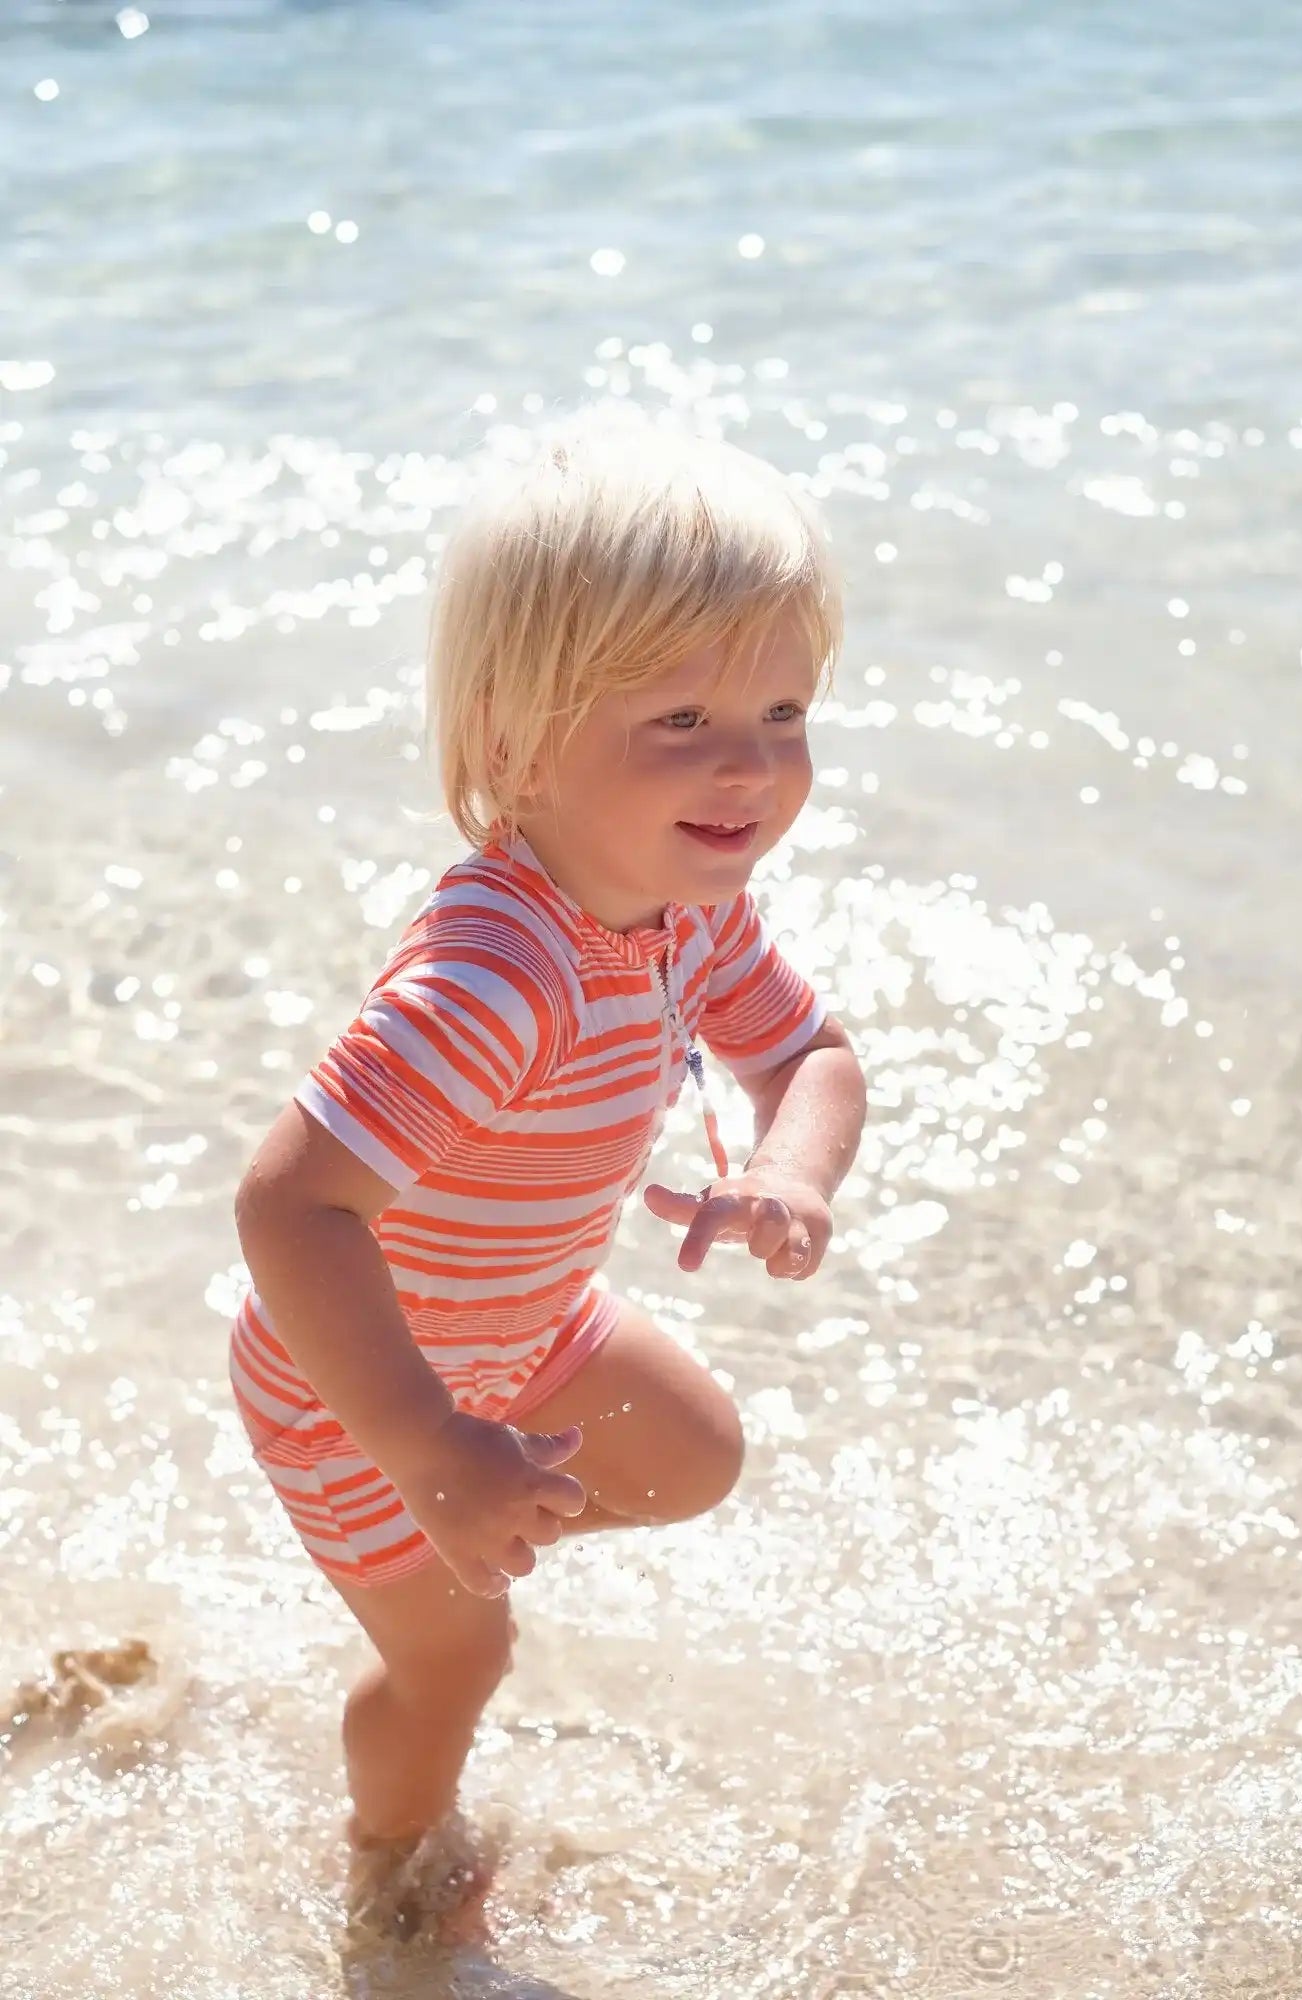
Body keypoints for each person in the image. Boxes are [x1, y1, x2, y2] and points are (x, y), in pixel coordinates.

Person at [229, 405, 867, 1936]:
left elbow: (812, 1053)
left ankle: (463, 1534)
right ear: (514, 738)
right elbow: (288, 1205)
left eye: (783, 712)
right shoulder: (494, 975)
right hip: (355, 1385)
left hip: (525, 1328)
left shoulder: (682, 898)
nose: (750, 769)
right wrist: (429, 1443)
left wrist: (790, 1173)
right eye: (679, 723)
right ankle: (391, 1870)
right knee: (461, 1659)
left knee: (693, 1452)